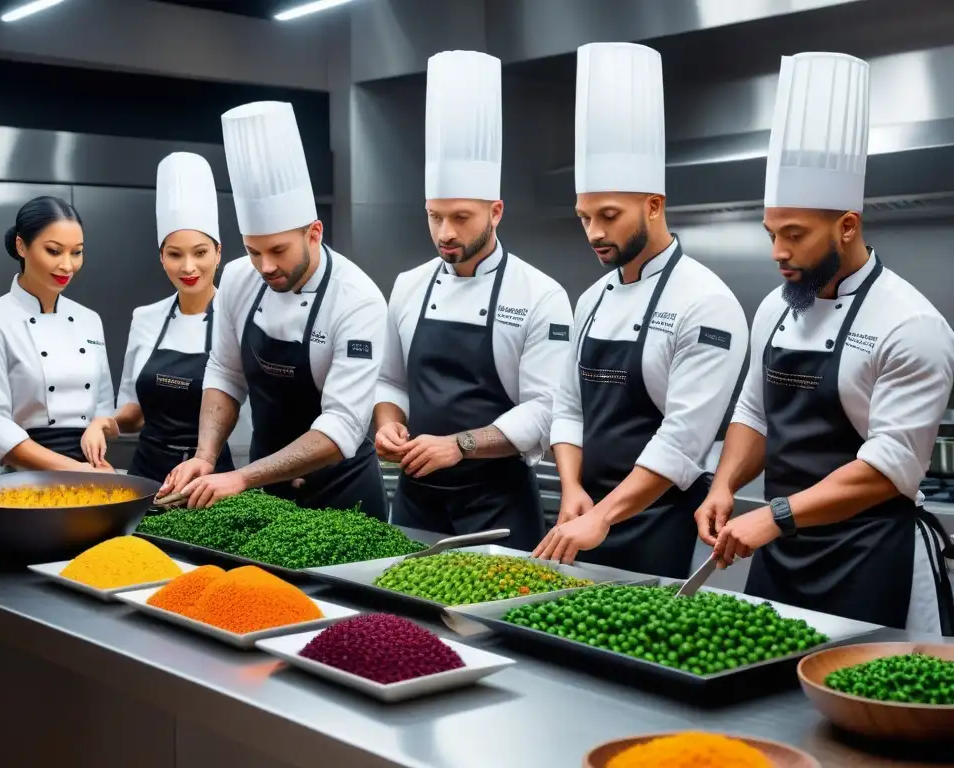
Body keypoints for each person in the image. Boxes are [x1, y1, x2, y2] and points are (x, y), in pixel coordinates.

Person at [695, 52, 954, 635]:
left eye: (794, 235)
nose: (777, 253)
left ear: (846, 225)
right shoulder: (774, 306)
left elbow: (887, 469)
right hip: (783, 555)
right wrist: (724, 484)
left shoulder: (911, 324)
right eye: (771, 234)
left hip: (869, 557)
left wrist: (777, 515)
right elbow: (755, 413)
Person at [532, 43, 748, 575]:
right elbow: (568, 408)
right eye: (584, 217)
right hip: (582, 514)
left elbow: (681, 441)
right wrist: (573, 489)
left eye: (608, 215)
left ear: (654, 206)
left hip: (659, 523)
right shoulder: (592, 297)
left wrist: (604, 514)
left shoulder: (707, 302)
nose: (594, 233)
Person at [374, 50, 573, 551]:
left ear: (496, 211)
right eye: (434, 216)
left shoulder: (540, 294)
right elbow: (389, 380)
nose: (445, 232)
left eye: (461, 217)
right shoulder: (408, 284)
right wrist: (389, 423)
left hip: (498, 504)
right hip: (416, 499)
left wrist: (460, 446)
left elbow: (544, 409)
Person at [160, 101, 389, 518]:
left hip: (341, 497)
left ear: (314, 233)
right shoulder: (237, 278)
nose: (265, 266)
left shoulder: (358, 300)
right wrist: (206, 457)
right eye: (253, 251)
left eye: (278, 250)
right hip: (264, 493)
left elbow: (342, 427)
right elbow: (225, 373)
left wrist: (242, 478)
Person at [79, 152, 234, 481]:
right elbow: (134, 414)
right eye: (175, 254)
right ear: (161, 257)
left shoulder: (237, 319)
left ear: (219, 253)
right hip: (146, 477)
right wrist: (105, 423)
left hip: (210, 480)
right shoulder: (146, 318)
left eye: (201, 252)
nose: (188, 267)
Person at [0, 196, 116, 471]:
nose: (68, 265)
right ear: (22, 246)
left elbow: (104, 404)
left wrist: (98, 430)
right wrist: (72, 469)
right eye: (54, 251)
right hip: (26, 475)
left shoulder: (89, 320)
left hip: (91, 471)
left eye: (77, 252)